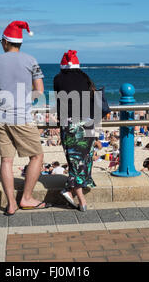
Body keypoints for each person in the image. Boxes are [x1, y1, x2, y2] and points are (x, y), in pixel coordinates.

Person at [0, 20, 49, 216]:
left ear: (6, 42)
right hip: (21, 117)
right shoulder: (31, 60)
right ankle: (27, 198)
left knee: (6, 160)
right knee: (37, 156)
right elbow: (39, 91)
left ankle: (11, 204)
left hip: (0, 117)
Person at [54, 50, 97, 212]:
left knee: (74, 160)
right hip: (89, 122)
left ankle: (79, 198)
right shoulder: (85, 77)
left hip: (70, 123)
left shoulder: (58, 78)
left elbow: (58, 102)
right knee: (85, 159)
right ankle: (74, 191)